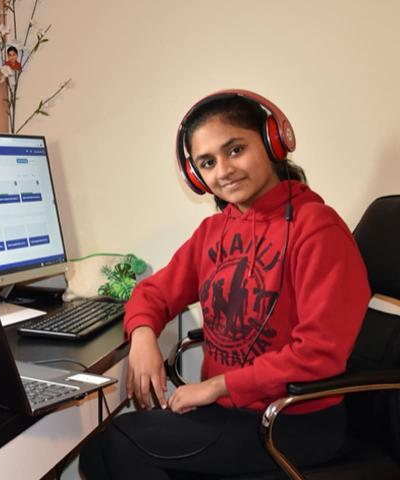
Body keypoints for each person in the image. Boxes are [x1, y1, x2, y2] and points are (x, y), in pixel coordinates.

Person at [79, 90, 371, 479]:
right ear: (196, 176)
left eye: (235, 150)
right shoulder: (213, 231)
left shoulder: (317, 229)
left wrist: (217, 386)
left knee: (119, 444)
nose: (224, 170)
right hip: (234, 412)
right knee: (104, 449)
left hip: (294, 420)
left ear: (272, 141)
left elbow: (320, 353)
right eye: (208, 162)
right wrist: (143, 336)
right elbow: (153, 292)